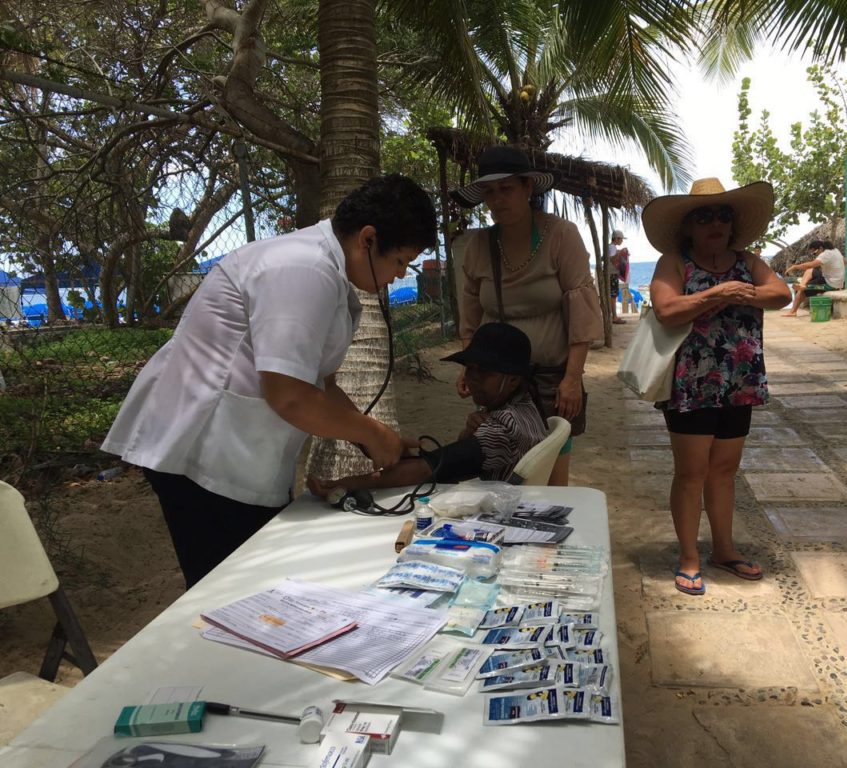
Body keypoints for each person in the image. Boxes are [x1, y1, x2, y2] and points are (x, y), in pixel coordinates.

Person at [102, 175, 437, 588]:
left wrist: (372, 438)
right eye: (400, 261)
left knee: (254, 586)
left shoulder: (326, 270)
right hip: (203, 451)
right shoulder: (302, 268)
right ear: (368, 239)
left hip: (240, 454)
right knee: (225, 593)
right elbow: (291, 396)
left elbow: (317, 382)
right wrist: (373, 432)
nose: (398, 276)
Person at [644, 177, 791, 595]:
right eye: (704, 216)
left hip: (738, 381)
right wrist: (720, 293)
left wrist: (743, 293)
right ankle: (690, 555)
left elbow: (780, 293)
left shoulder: (748, 260)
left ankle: (723, 549)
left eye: (723, 216)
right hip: (690, 384)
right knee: (691, 472)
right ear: (689, 226)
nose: (716, 224)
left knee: (724, 472)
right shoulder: (674, 261)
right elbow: (667, 308)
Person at [453, 146, 603, 486]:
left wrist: (573, 378)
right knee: (498, 471)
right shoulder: (478, 246)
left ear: (527, 188)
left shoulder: (561, 236)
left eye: (506, 188)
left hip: (551, 379)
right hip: (498, 382)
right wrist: (469, 363)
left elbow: (581, 310)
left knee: (551, 478)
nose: (497, 200)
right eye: (489, 192)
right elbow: (471, 312)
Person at [309, 323, 547, 491]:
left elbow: (430, 468)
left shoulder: (504, 427)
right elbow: (458, 458)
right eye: (470, 369)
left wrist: (348, 484)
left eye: (484, 372)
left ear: (514, 379)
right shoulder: (526, 406)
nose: (472, 378)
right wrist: (468, 436)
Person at [780, 239, 845, 317]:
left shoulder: (825, 255)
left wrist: (794, 266)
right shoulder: (835, 250)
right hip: (835, 280)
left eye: (815, 253)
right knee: (810, 271)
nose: (815, 255)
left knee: (801, 291)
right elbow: (845, 261)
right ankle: (802, 284)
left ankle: (793, 311)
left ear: (821, 248)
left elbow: (810, 265)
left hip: (830, 284)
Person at [609, 229, 637, 317]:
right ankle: (614, 316)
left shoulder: (610, 247)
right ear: (617, 238)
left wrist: (619, 252)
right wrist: (621, 253)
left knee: (612, 295)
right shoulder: (612, 247)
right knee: (613, 296)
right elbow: (612, 260)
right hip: (612, 274)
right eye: (621, 239)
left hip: (610, 273)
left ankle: (612, 315)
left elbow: (606, 258)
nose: (622, 241)